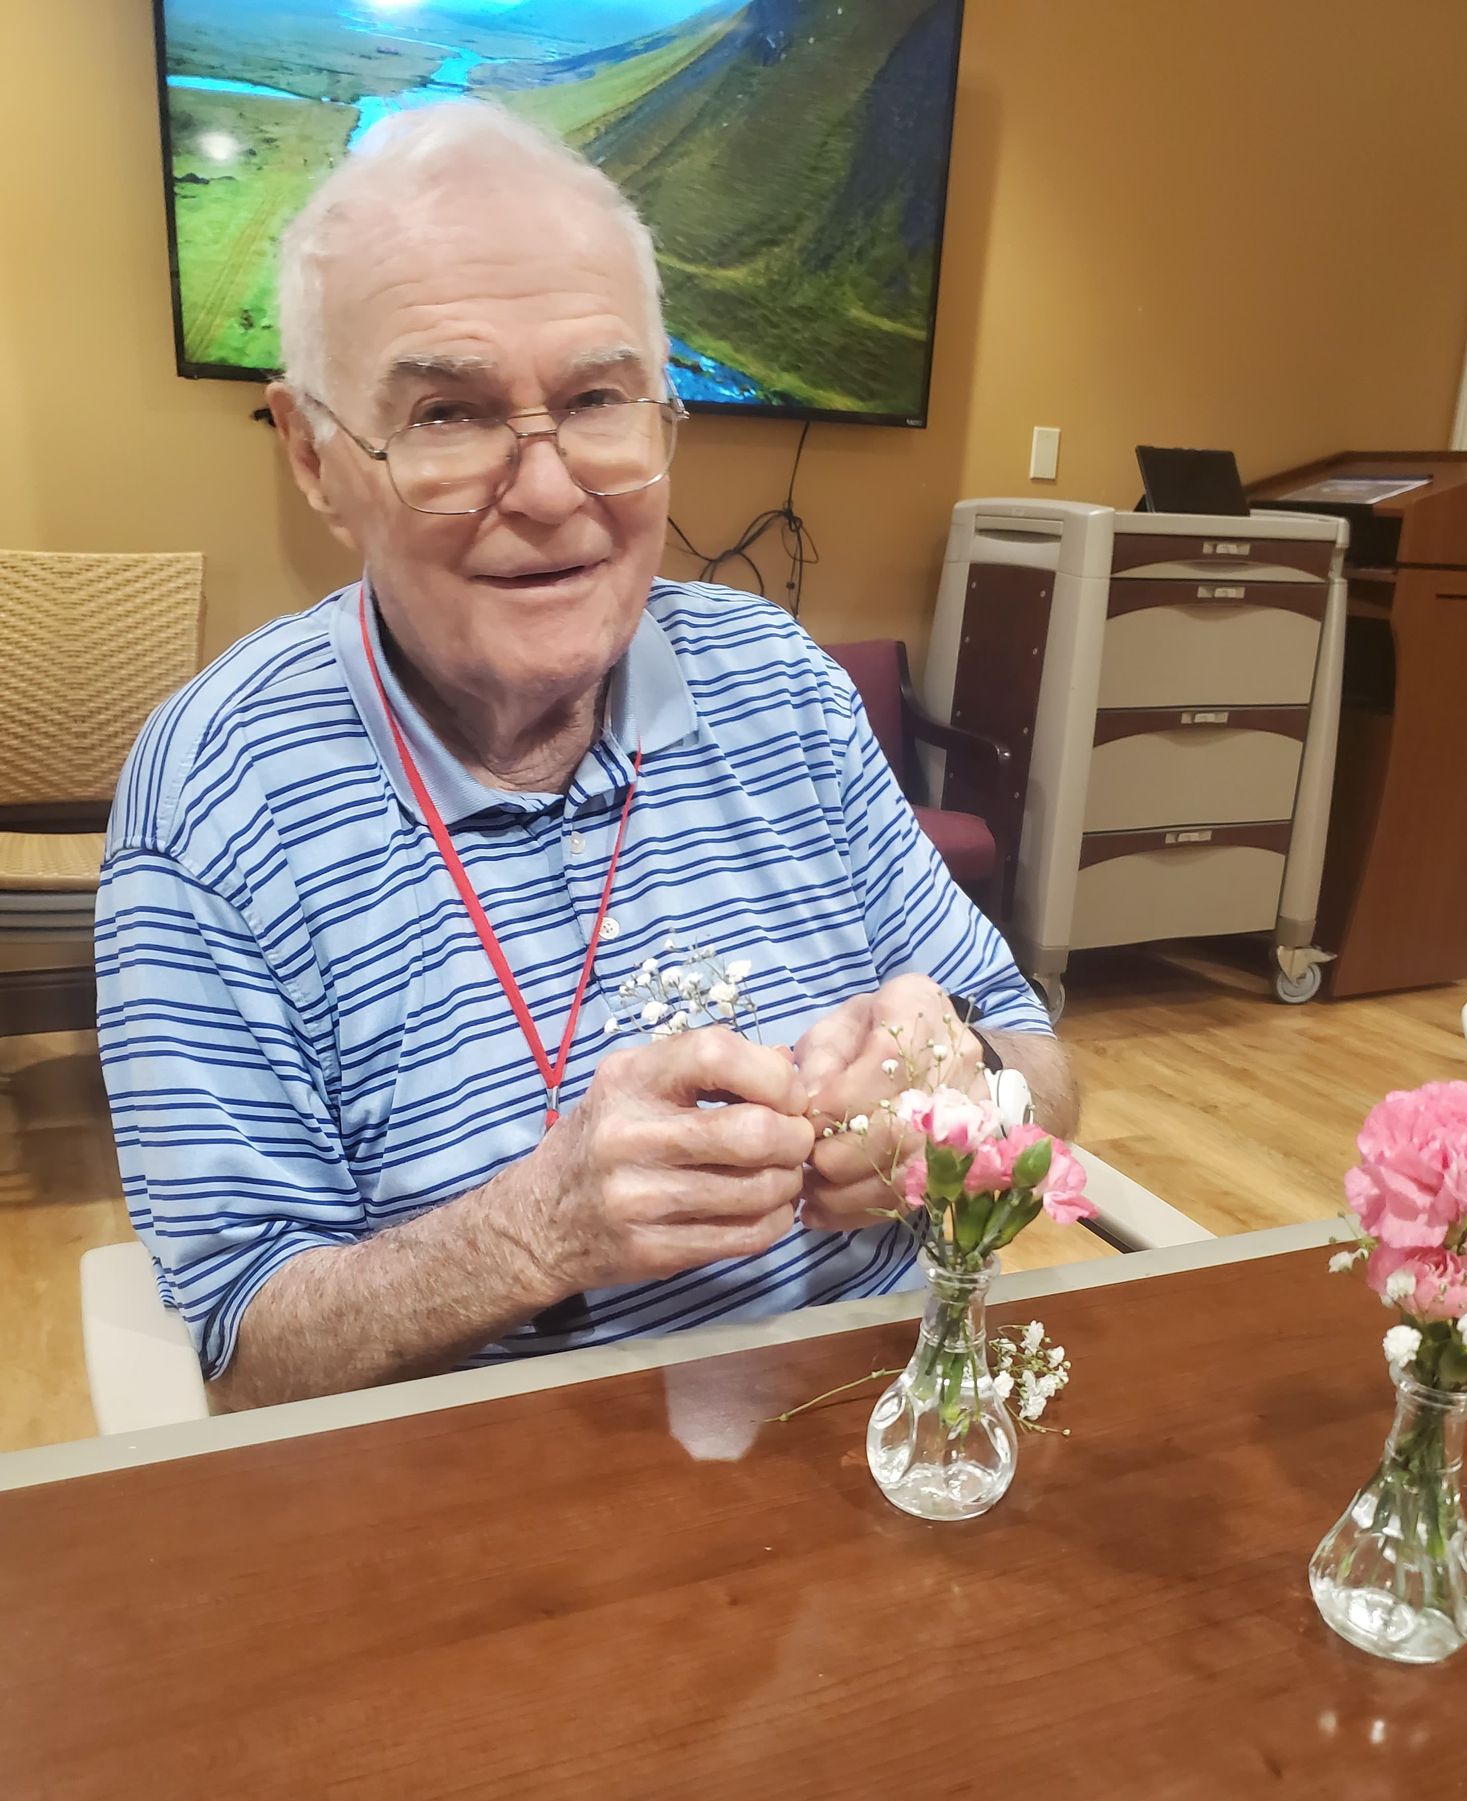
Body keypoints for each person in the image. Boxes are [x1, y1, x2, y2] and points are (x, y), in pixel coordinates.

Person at [96, 102, 1075, 1411]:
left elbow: (1043, 1067)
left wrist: (965, 1101)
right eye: (448, 414)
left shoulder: (781, 686)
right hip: (508, 1520)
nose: (550, 492)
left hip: (884, 1432)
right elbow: (245, 1355)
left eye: (600, 400)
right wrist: (534, 1233)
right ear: (316, 456)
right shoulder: (218, 796)